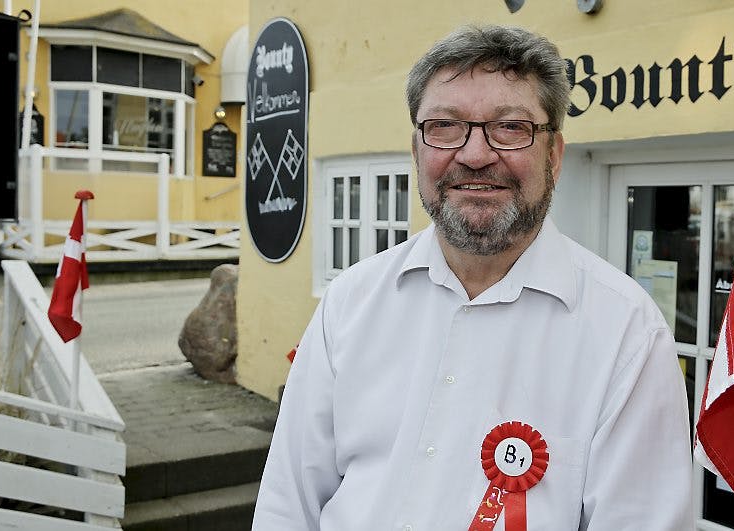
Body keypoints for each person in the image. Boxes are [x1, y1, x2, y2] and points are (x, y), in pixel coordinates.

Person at [253, 25, 694, 530]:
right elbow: (288, 506)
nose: (475, 154)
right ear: (417, 150)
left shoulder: (627, 334)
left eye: (511, 127)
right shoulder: (350, 300)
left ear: (554, 155)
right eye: (444, 126)